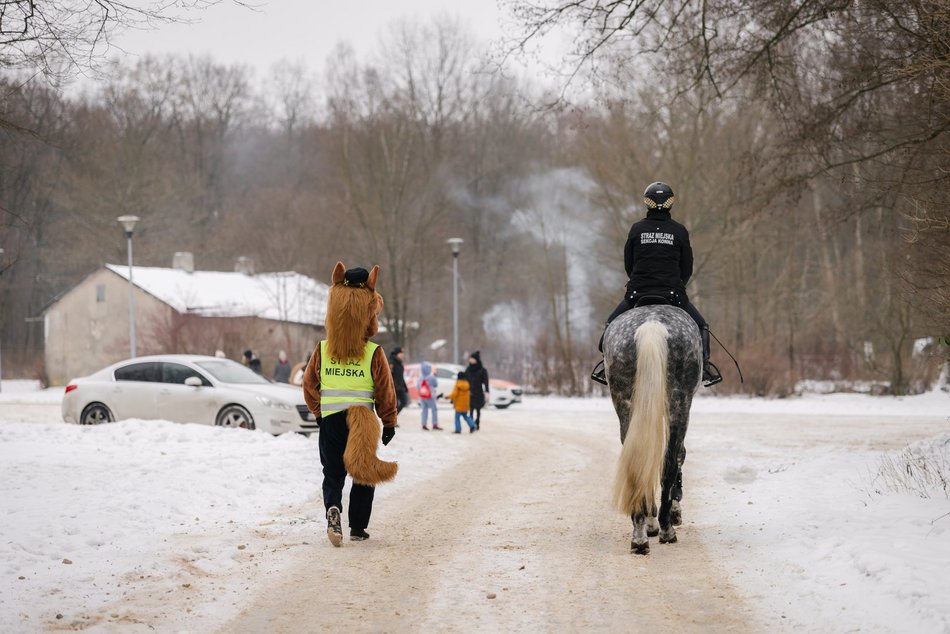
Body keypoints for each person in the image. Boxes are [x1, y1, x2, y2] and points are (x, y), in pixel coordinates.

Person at [303, 263, 398, 547]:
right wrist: (390, 421)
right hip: (363, 422)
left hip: (331, 421)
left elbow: (309, 385)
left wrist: (319, 413)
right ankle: (358, 526)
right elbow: (385, 391)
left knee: (333, 473)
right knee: (363, 471)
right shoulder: (374, 353)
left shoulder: (322, 350)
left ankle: (333, 510)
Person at [591, 182, 722, 387]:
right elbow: (687, 267)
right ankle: (704, 367)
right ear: (670, 203)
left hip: (637, 293)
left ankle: (605, 365)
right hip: (672, 294)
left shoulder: (636, 229)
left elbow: (629, 264)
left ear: (647, 203)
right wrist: (679, 287)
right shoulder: (679, 231)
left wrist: (639, 284)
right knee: (702, 325)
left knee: (610, 325)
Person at [465, 351, 489, 430]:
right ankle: (471, 424)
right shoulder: (468, 369)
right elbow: (464, 379)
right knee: (471, 409)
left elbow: (485, 381)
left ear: (476, 359)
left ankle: (477, 422)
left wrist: (487, 391)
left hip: (478, 392)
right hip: (470, 392)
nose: (470, 360)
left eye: (472, 358)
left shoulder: (482, 370)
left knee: (478, 409)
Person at [418, 361, 442, 430]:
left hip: (422, 396)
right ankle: (434, 424)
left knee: (424, 410)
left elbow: (417, 386)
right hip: (430, 396)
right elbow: (436, 385)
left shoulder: (420, 377)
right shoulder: (431, 377)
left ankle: (424, 424)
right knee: (434, 410)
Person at [389, 346, 409, 415]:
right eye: (401, 353)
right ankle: (392, 419)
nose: (402, 354)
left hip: (400, 387)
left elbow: (401, 376)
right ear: (397, 353)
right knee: (395, 404)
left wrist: (405, 386)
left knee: (404, 401)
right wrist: (394, 385)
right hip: (393, 387)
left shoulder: (400, 363)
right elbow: (390, 376)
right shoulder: (392, 362)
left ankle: (394, 417)